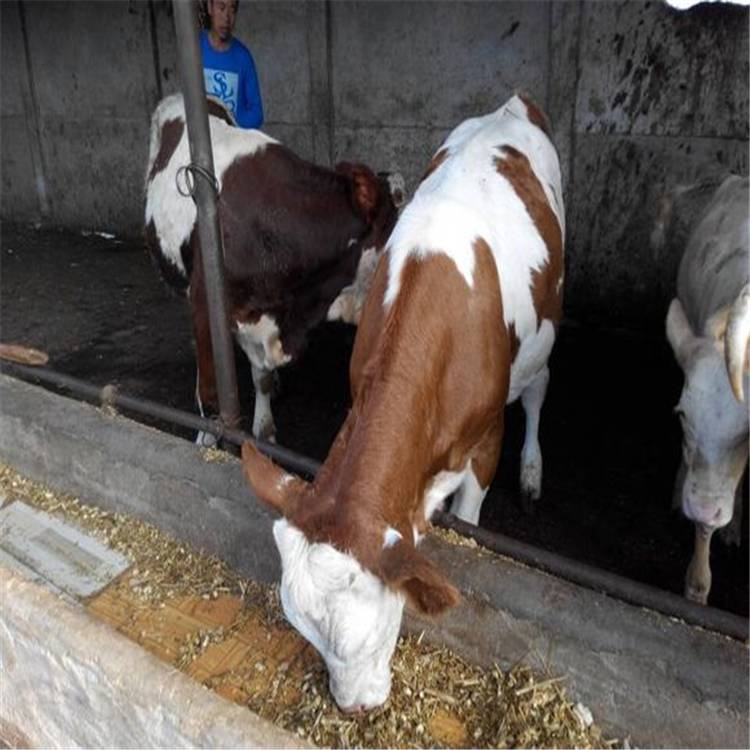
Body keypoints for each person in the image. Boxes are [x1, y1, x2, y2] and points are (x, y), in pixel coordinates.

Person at [200, 0, 263, 129]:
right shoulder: (195, 48)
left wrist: (228, 120)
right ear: (210, 8)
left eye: (232, 10)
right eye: (221, 8)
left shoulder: (243, 57)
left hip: (231, 143)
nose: (226, 17)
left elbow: (257, 115)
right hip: (201, 142)